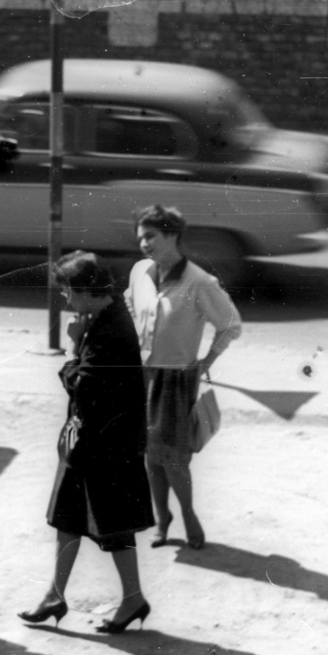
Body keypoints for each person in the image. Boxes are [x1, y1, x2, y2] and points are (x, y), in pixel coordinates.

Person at [19, 252, 156, 634]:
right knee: (70, 516)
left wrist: (72, 350)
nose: (65, 299)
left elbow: (83, 389)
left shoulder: (108, 330)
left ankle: (131, 599)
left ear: (84, 290)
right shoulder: (108, 317)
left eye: (66, 291)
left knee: (112, 526)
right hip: (99, 444)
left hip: (104, 447)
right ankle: (56, 595)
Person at [124, 205, 242, 550]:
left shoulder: (200, 282)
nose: (144, 244)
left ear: (172, 235)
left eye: (151, 236)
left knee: (174, 460)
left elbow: (230, 325)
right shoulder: (141, 272)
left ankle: (188, 515)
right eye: (140, 237)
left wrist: (206, 361)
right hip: (143, 376)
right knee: (149, 456)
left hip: (176, 381)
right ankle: (163, 521)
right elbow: (130, 305)